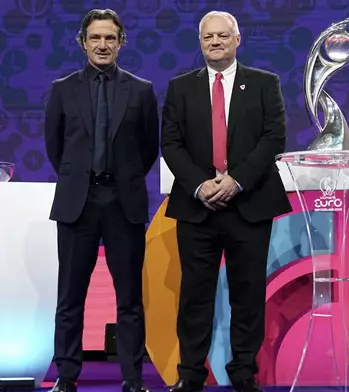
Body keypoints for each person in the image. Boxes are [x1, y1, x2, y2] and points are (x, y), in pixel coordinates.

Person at [160, 10, 291, 392]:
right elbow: (171, 143)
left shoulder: (265, 83)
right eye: (207, 38)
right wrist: (202, 186)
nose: (215, 42)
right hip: (197, 208)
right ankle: (190, 375)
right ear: (200, 43)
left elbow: (273, 138)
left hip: (249, 205)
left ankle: (243, 372)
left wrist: (236, 181)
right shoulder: (180, 87)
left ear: (238, 40)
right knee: (195, 295)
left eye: (222, 36)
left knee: (247, 294)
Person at [44, 8, 158, 392]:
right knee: (70, 296)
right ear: (83, 42)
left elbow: (147, 149)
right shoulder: (63, 88)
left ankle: (131, 377)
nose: (103, 44)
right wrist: (82, 179)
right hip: (78, 201)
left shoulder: (141, 90)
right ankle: (67, 375)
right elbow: (55, 148)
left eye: (110, 38)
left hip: (123, 200)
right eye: (95, 37)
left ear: (121, 42)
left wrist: (120, 179)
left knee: (129, 297)